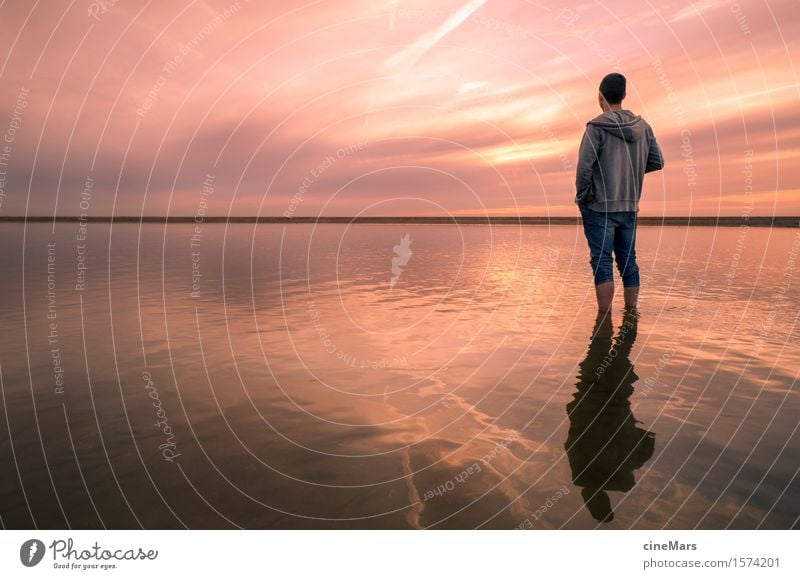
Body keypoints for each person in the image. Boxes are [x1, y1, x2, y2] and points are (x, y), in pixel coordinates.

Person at [576, 73, 664, 312]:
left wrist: (583, 198)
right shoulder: (643, 127)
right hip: (629, 206)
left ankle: (604, 321)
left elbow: (584, 168)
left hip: (599, 207)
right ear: (624, 96)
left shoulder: (596, 127)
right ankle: (630, 313)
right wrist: (629, 171)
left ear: (600, 97)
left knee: (602, 262)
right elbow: (657, 161)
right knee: (628, 262)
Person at [565, 310, 655, 523]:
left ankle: (626, 314)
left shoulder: (621, 473)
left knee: (615, 349)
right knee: (604, 347)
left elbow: (649, 441)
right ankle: (626, 313)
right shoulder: (599, 474)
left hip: (607, 401)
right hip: (597, 400)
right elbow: (572, 440)